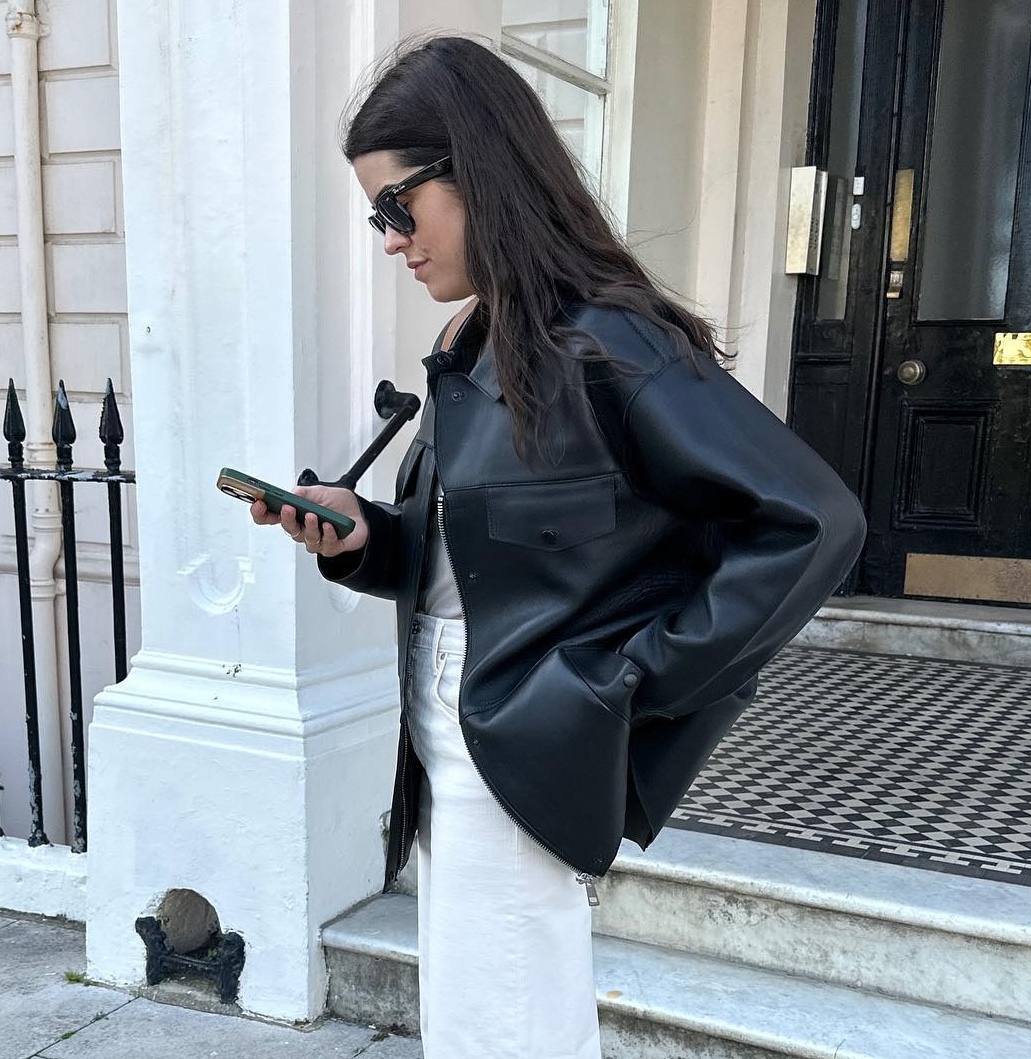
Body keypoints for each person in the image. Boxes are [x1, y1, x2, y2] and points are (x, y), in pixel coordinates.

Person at [251, 34, 867, 1059]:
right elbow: (492, 567)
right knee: (481, 1018)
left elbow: (811, 523)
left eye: (398, 204)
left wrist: (628, 679)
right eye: (375, 215)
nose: (390, 238)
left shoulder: (609, 343)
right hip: (449, 725)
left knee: (508, 1025)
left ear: (478, 170)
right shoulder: (473, 348)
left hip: (527, 730)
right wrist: (365, 540)